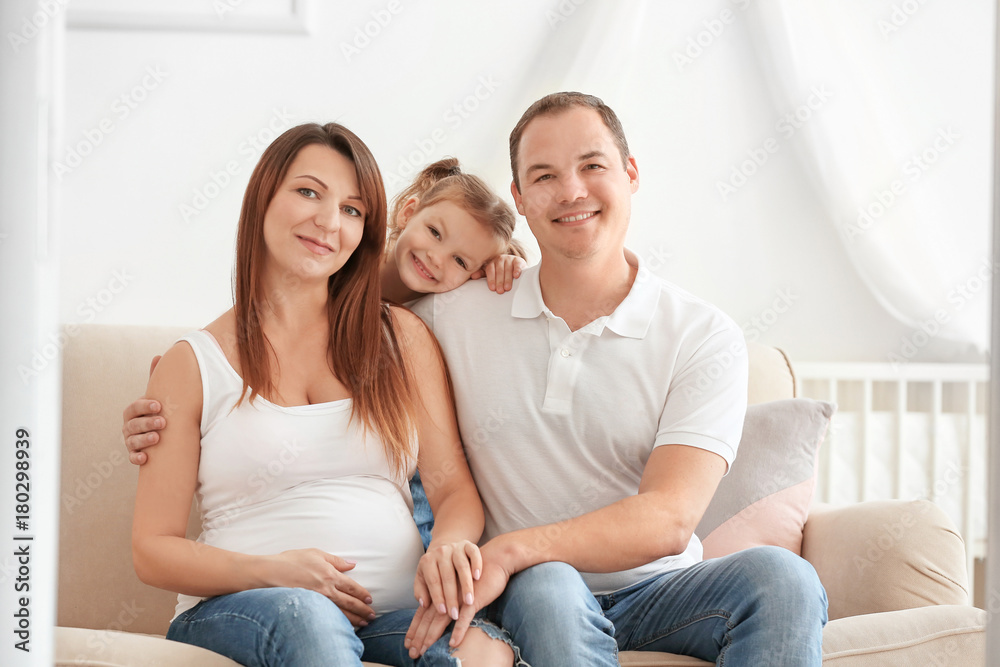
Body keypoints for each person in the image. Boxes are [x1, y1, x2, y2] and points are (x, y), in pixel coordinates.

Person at [127, 92, 829, 666]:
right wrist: (184, 381)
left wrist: (474, 550)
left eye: (350, 210)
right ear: (522, 195)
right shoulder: (448, 312)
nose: (571, 191)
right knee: (530, 591)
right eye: (546, 175)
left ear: (632, 172)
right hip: (396, 599)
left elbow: (663, 515)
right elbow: (349, 286)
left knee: (780, 580)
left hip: (588, 589)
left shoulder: (697, 334)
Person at [129, 121, 514, 667]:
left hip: (390, 616)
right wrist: (277, 570)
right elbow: (152, 550)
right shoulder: (191, 363)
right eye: (308, 191)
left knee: (480, 650)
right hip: (248, 608)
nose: (328, 221)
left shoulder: (401, 337)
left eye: (353, 210)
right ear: (264, 195)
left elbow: (453, 488)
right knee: (309, 618)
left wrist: (450, 543)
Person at [380, 157, 527, 305]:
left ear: (475, 275)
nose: (436, 259)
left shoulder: (439, 315)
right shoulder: (358, 251)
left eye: (460, 261)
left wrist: (505, 269)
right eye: (435, 233)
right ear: (408, 213)